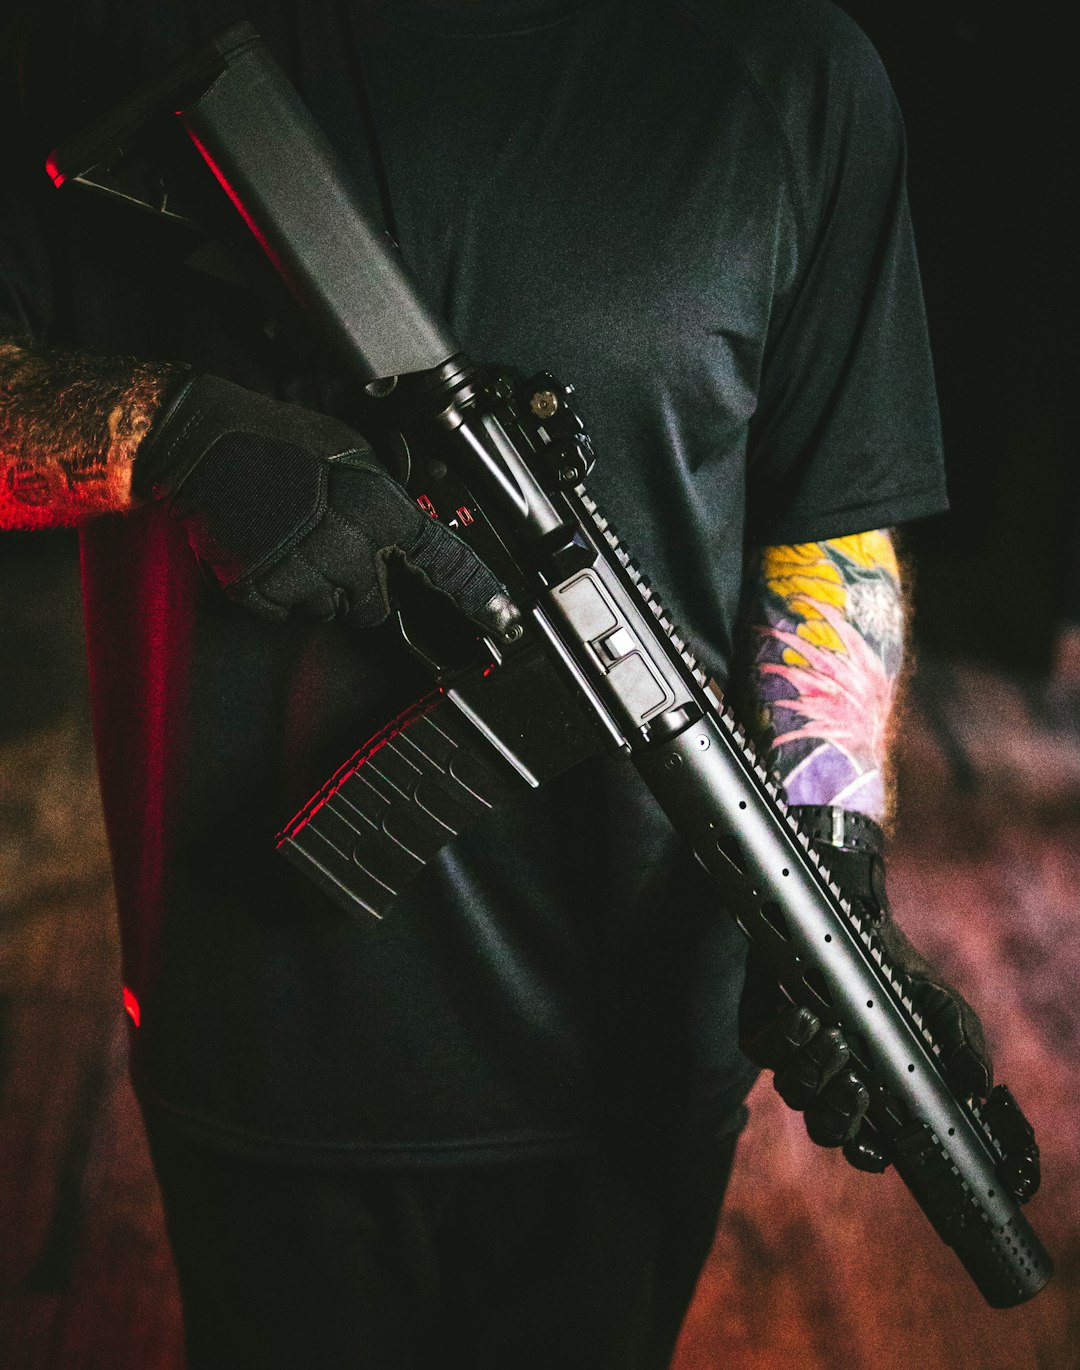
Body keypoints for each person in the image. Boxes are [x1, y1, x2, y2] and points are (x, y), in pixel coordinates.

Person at [0, 0, 991, 1364]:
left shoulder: (793, 72)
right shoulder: (129, 35)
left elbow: (827, 514)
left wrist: (832, 857)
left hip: (639, 1040)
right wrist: (162, 430)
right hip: (263, 1027)